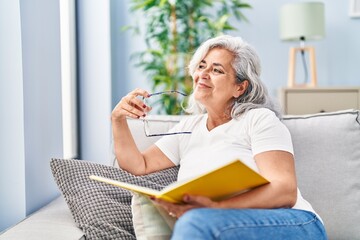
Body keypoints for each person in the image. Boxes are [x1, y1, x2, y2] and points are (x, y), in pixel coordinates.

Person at [111, 35, 328, 239]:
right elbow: (138, 164)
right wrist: (118, 120)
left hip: (295, 223)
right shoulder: (188, 127)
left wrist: (215, 208)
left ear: (240, 87)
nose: (203, 74)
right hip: (221, 223)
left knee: (195, 222)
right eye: (202, 66)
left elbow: (285, 190)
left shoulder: (258, 119)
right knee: (196, 221)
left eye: (217, 70)